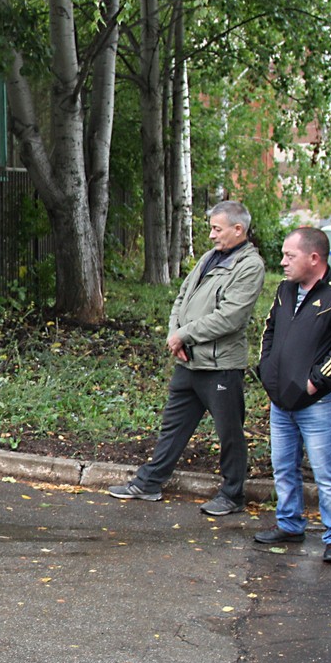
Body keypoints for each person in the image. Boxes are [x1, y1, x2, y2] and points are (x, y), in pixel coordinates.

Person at [108, 200, 266, 515]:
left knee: (229, 433)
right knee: (173, 426)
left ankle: (232, 494)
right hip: (189, 361)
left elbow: (230, 317)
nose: (211, 235)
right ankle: (150, 482)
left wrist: (185, 334)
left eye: (216, 229)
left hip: (221, 367)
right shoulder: (210, 258)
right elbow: (182, 297)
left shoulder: (250, 266)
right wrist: (174, 334)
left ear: (238, 229)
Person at [252, 226, 331, 564]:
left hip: (319, 403)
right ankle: (289, 524)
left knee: (325, 471)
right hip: (281, 399)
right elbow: (269, 331)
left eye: (290, 256)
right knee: (283, 466)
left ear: (314, 258)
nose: (283, 262)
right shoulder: (285, 290)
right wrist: (267, 373)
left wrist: (317, 382)